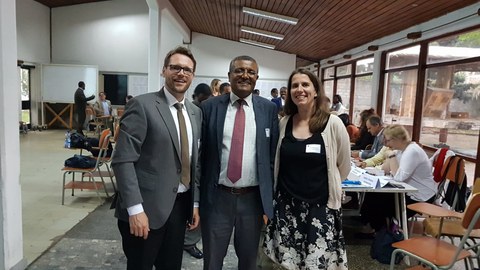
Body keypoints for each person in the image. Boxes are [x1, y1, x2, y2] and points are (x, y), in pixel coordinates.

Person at [111, 46, 202, 270]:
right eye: (175, 67)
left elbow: (194, 162)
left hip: (180, 207)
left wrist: (195, 204)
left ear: (193, 76)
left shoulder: (195, 112)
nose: (181, 73)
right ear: (164, 71)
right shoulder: (142, 106)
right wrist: (135, 209)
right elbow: (123, 160)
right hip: (146, 209)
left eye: (187, 70)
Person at [263, 68, 350, 269]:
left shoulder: (333, 123)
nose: (299, 89)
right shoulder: (284, 122)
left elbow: (343, 167)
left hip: (320, 209)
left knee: (317, 263)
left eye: (305, 85)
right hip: (287, 207)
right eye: (295, 85)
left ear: (316, 91)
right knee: (289, 261)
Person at [200, 55, 279, 270]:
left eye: (250, 72)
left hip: (252, 201)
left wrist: (268, 202)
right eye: (239, 71)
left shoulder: (268, 110)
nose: (245, 75)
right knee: (212, 261)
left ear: (257, 77)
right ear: (229, 75)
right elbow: (200, 157)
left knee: (248, 262)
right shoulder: (209, 107)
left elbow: (271, 158)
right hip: (217, 198)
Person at [359, 125, 436, 234]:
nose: (386, 143)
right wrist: (389, 155)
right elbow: (385, 170)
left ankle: (378, 230)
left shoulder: (412, 151)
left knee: (379, 201)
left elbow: (399, 177)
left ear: (397, 139)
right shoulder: (400, 150)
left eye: (387, 140)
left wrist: (391, 156)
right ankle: (371, 225)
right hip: (408, 189)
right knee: (372, 194)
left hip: (421, 195)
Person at [184, 82, 211, 260]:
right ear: (200, 96)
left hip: (198, 167)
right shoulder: (192, 110)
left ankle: (188, 242)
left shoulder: (198, 111)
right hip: (187, 169)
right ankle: (187, 242)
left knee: (195, 209)